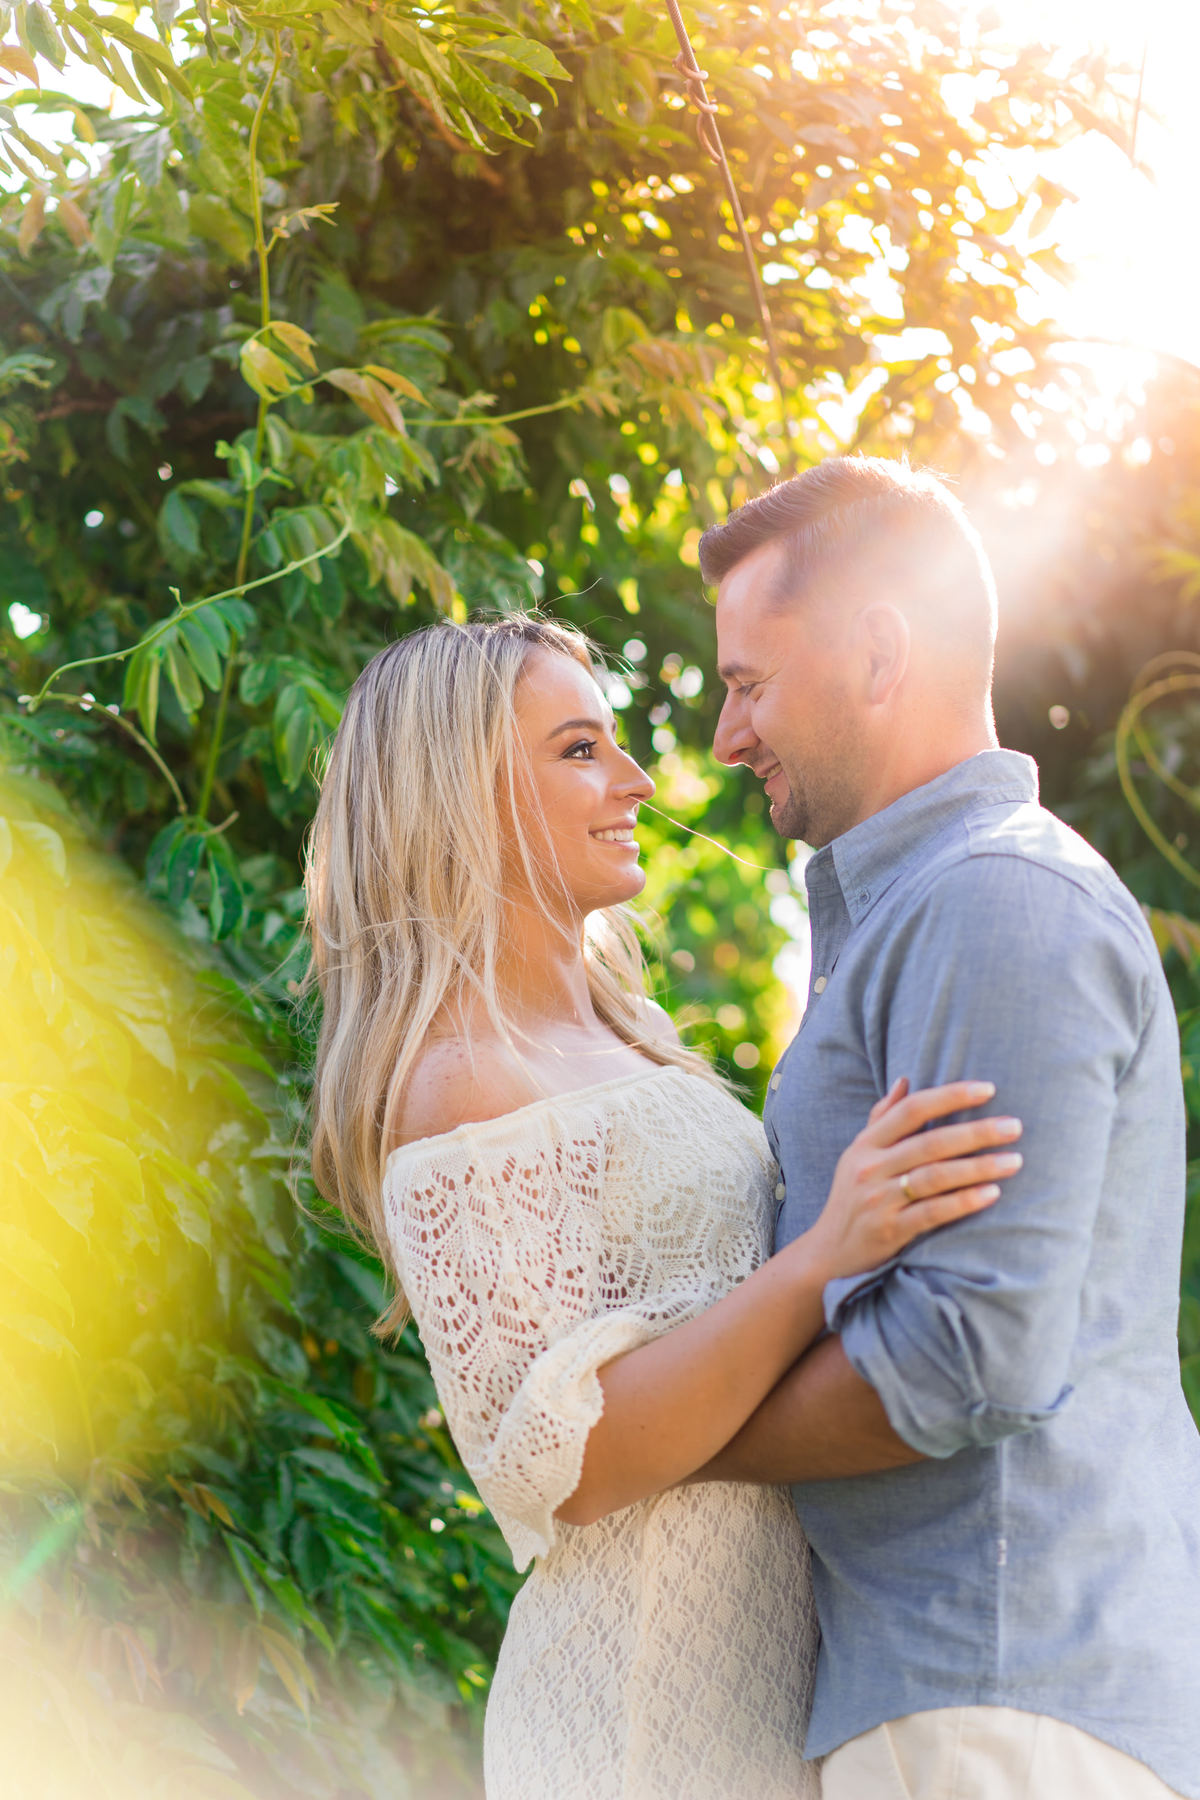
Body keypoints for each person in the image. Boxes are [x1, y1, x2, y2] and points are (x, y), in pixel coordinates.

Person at [301, 615, 1024, 1799]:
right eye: (580, 749)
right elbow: (564, 1461)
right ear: (459, 793)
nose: (637, 779)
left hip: (770, 1684)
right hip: (638, 1714)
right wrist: (824, 1258)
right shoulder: (460, 1078)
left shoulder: (631, 1040)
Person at [698, 454, 1200, 1800]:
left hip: (1002, 1700)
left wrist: (665, 1429)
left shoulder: (999, 907)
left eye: (748, 683)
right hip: (959, 1701)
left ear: (876, 654)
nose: (724, 738)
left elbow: (967, 1359)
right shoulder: (928, 913)